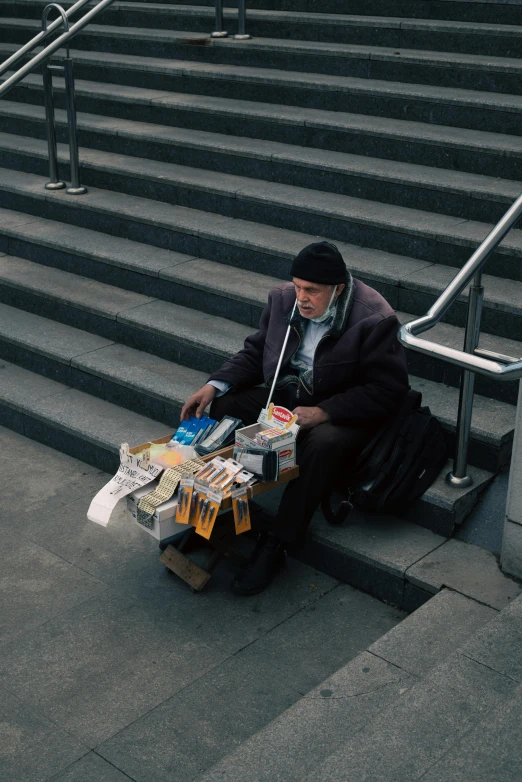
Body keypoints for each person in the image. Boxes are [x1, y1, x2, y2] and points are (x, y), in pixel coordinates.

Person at [181, 241, 409, 596]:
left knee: (323, 443)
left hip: (340, 410)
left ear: (339, 289)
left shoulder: (373, 317)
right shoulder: (282, 299)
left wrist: (325, 412)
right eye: (298, 286)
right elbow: (257, 351)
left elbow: (388, 390)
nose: (301, 298)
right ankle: (223, 509)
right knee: (226, 405)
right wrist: (215, 384)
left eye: (312, 291)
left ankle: (278, 543)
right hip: (289, 396)